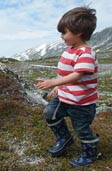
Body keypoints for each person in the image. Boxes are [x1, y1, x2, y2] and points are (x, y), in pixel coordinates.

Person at [36, 6, 99, 167]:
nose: (62, 37)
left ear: (78, 32)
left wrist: (53, 83)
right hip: (64, 97)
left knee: (82, 129)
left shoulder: (86, 53)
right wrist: (58, 86)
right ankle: (64, 138)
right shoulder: (68, 51)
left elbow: (77, 74)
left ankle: (90, 153)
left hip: (82, 103)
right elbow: (64, 72)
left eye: (64, 32)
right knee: (49, 113)